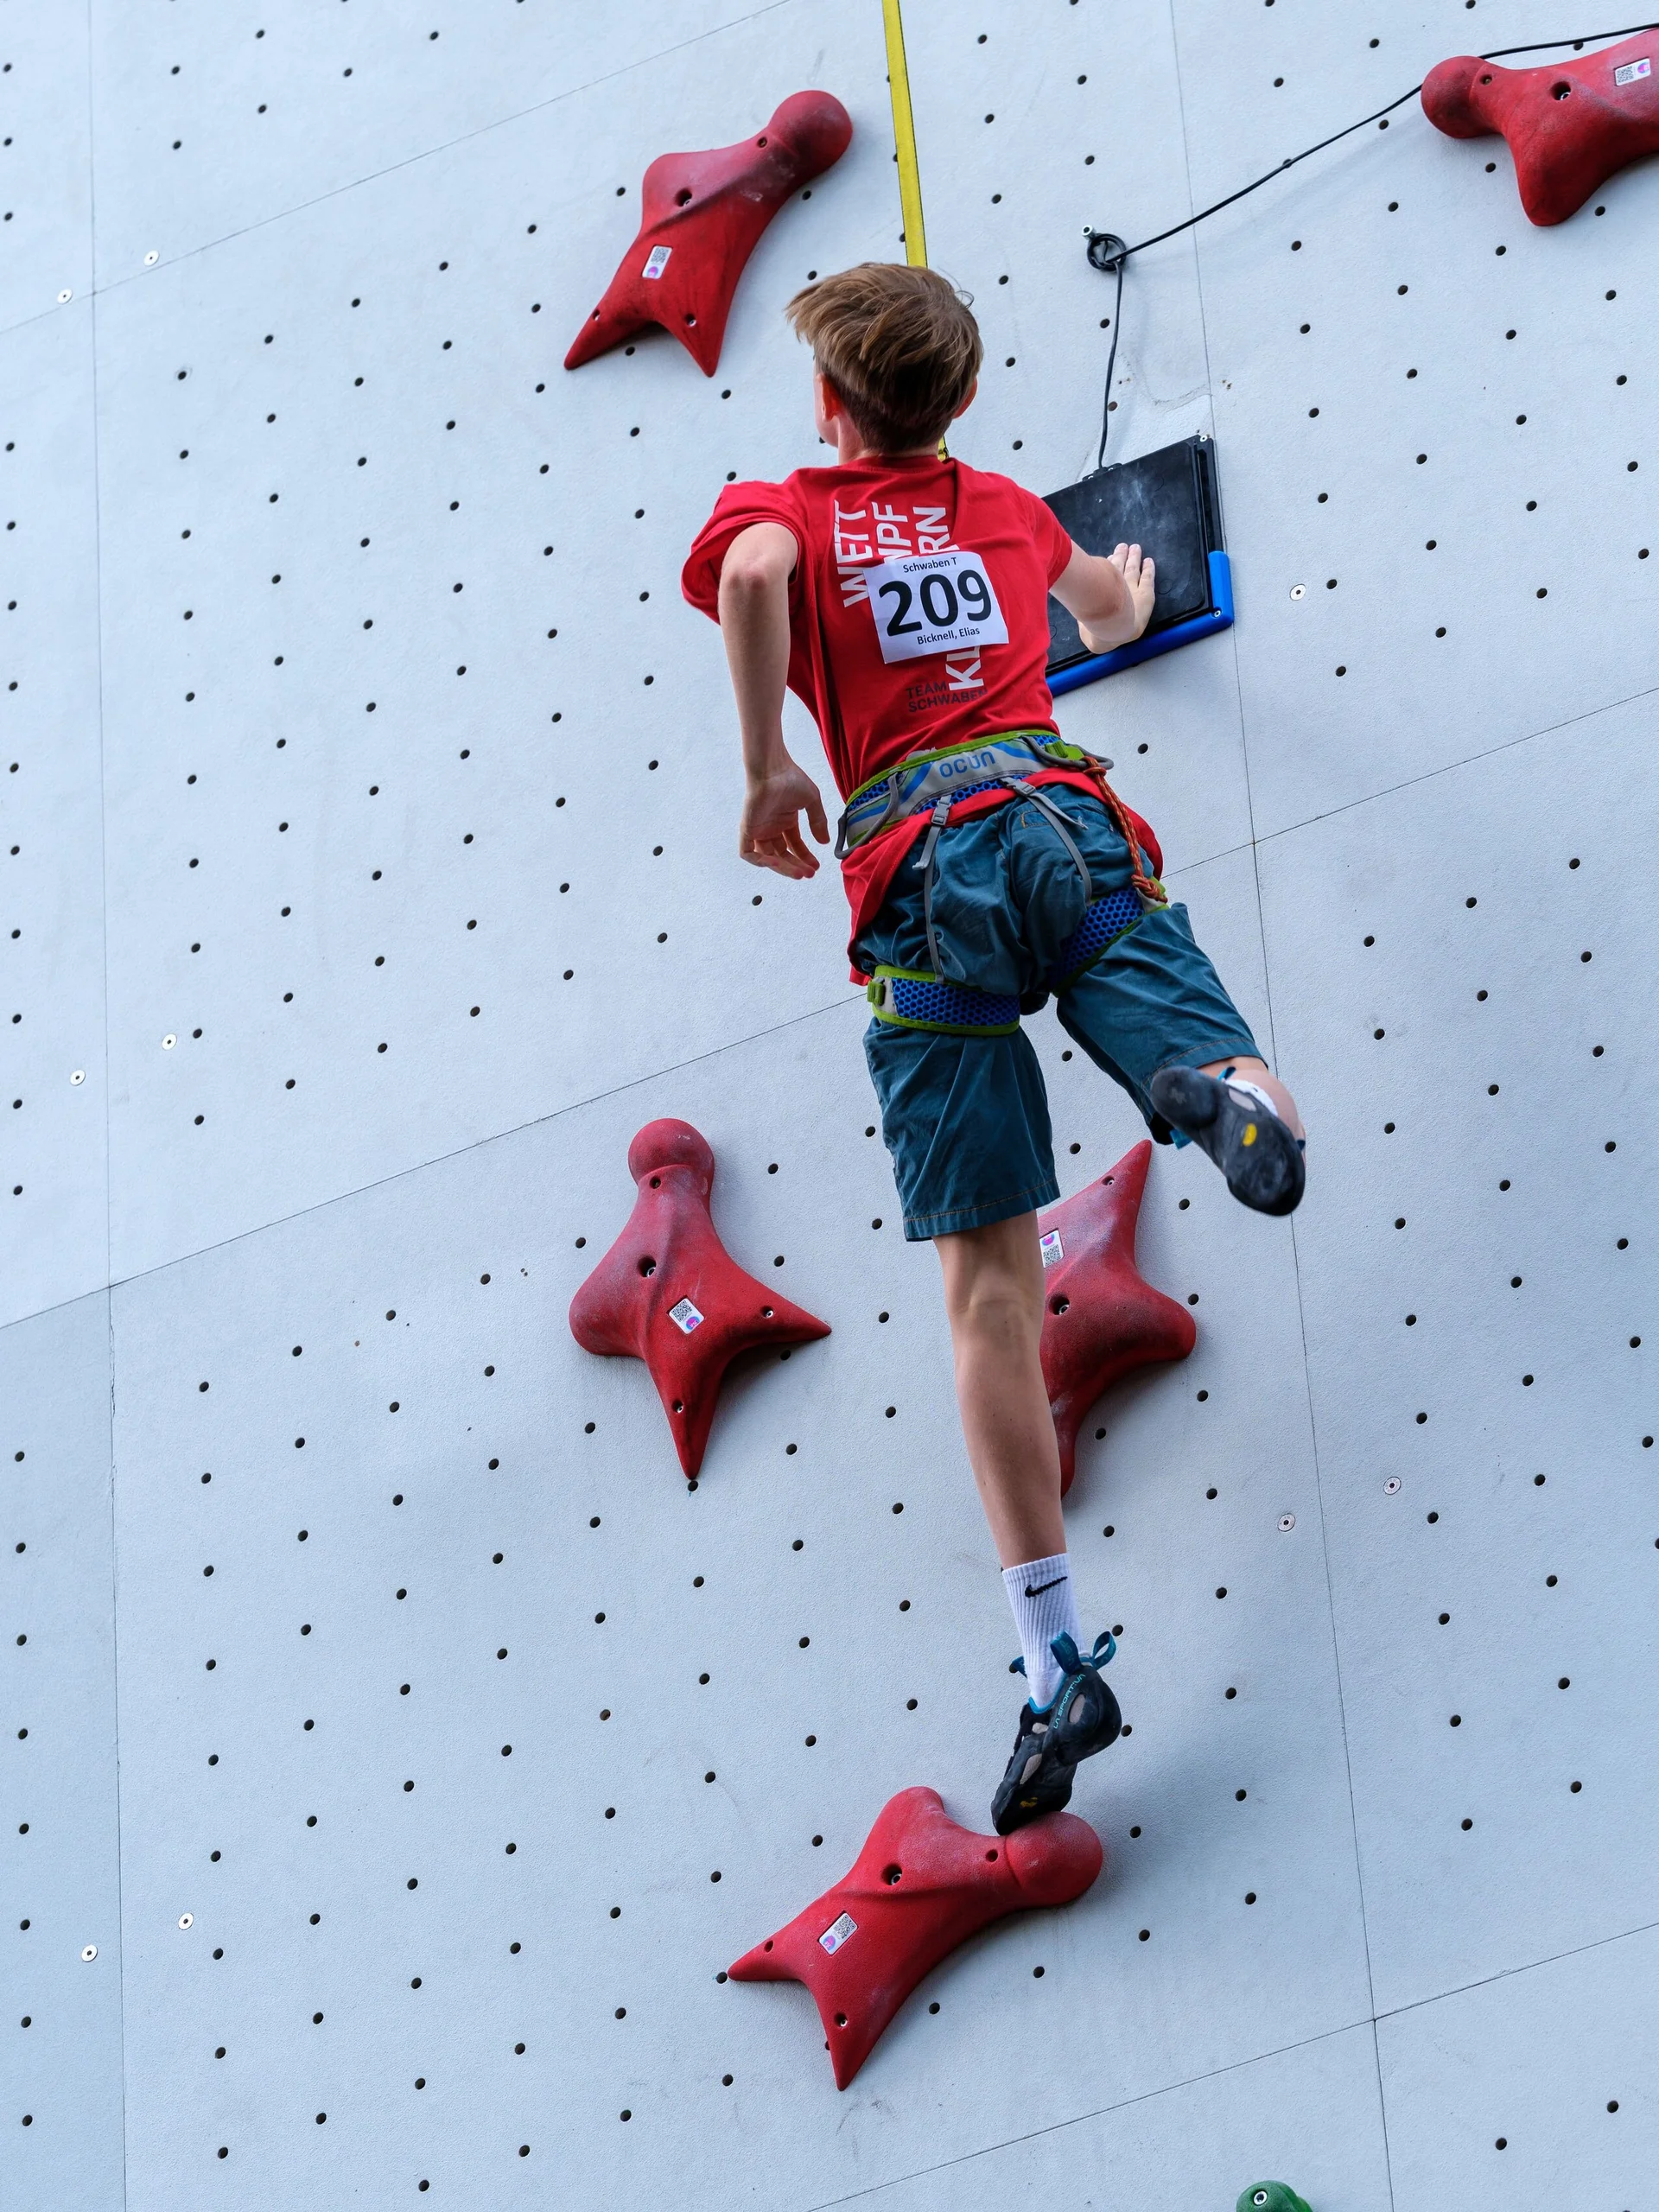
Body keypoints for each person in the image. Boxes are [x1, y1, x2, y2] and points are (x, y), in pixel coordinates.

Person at [682, 264, 1304, 1834]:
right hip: (1052, 813)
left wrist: (766, 767)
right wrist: (1123, 594)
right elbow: (1114, 607)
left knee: (989, 1297)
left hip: (916, 881)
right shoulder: (1009, 510)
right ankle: (1222, 1098)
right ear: (959, 403)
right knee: (1201, 1028)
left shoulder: (789, 507)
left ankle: (1052, 1661)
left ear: (828, 405)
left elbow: (751, 574)